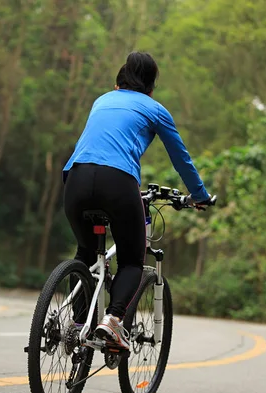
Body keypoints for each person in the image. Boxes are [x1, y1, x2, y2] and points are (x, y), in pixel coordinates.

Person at [62, 51, 213, 350]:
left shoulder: (102, 100)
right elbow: (181, 159)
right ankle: (113, 320)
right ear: (151, 87)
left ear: (118, 83)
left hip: (75, 178)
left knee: (86, 253)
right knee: (132, 259)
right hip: (118, 183)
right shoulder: (155, 109)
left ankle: (77, 325)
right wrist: (199, 195)